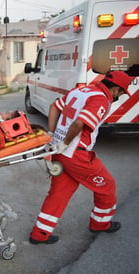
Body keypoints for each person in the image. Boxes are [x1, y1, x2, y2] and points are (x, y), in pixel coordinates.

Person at [29, 70, 133, 244]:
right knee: (107, 186)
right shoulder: (101, 99)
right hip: (76, 154)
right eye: (121, 93)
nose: (120, 97)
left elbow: (54, 107)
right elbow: (80, 123)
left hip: (59, 153)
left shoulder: (81, 91)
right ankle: (100, 224)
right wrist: (66, 143)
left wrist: (52, 135)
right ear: (116, 90)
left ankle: (39, 234)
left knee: (59, 194)